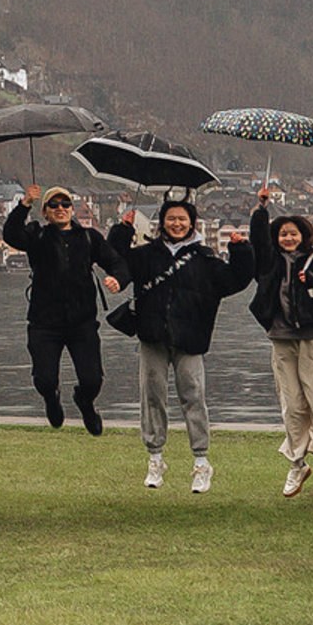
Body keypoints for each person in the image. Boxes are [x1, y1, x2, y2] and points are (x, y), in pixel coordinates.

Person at [109, 195, 254, 492]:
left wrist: (241, 250)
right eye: (171, 218)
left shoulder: (205, 258)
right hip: (152, 336)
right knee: (152, 395)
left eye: (182, 219)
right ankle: (155, 458)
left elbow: (236, 280)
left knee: (194, 396)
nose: (176, 224)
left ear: (192, 223)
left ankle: (201, 462)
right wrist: (121, 231)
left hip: (190, 339)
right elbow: (117, 260)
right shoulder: (146, 254)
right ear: (162, 222)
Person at [247, 189, 313, 498]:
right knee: (292, 406)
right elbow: (257, 241)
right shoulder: (269, 263)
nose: (288, 238)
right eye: (282, 234)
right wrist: (260, 209)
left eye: (293, 233)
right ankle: (298, 462)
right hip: (281, 340)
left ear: (304, 236)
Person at [1, 182, 124, 433]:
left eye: (65, 204)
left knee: (92, 380)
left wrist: (118, 280)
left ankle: (85, 401)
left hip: (82, 323)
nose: (60, 208)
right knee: (44, 379)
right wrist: (25, 204)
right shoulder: (36, 235)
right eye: (53, 205)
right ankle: (51, 397)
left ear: (73, 209)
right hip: (44, 323)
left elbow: (116, 261)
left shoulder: (90, 237)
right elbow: (11, 235)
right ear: (45, 212)